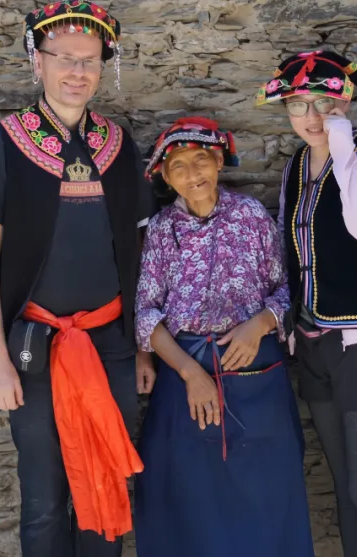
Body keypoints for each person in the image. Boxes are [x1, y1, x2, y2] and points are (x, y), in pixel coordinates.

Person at [0, 0, 157, 557]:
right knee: (45, 499)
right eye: (65, 58)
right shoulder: (6, 143)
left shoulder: (118, 146)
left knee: (107, 486)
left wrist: (142, 350)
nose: (78, 72)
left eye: (90, 61)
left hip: (111, 346)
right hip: (34, 349)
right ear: (38, 62)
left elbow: (139, 259)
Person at [132, 117, 314, 557]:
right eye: (178, 167)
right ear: (165, 178)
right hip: (184, 372)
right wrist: (190, 373)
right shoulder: (162, 230)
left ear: (218, 162)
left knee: (265, 488)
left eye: (200, 160)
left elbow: (285, 288)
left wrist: (260, 325)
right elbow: (146, 313)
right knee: (186, 490)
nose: (192, 174)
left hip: (256, 372)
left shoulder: (250, 216)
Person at [255, 51, 357, 557]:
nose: (312, 117)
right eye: (298, 105)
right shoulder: (296, 165)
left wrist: (342, 142)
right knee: (343, 486)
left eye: (323, 103)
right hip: (314, 343)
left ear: (345, 101)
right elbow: (290, 250)